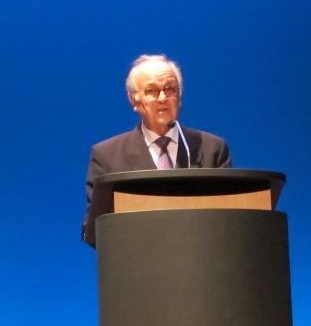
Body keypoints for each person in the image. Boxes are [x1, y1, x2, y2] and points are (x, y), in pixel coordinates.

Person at [82, 54, 232, 241]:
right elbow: (95, 228)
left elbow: (227, 218)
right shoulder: (107, 156)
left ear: (179, 96)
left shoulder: (212, 149)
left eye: (170, 89)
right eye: (151, 91)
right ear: (134, 100)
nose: (162, 98)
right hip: (138, 256)